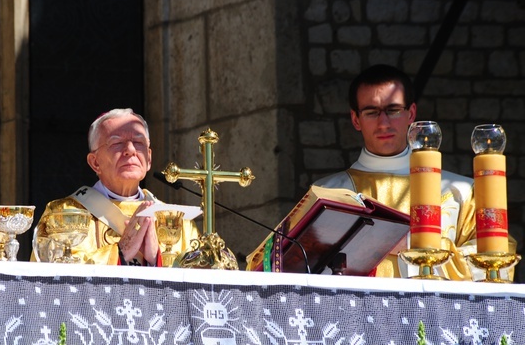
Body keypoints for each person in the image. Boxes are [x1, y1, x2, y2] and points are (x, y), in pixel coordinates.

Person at [247, 64, 514, 280]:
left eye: (393, 110)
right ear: (355, 119)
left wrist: (412, 246)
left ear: (411, 114)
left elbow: (498, 268)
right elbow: (284, 266)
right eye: (372, 112)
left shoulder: (461, 193)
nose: (384, 122)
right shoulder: (329, 194)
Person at [32, 108, 198, 266]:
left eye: (138, 142)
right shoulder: (62, 215)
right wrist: (119, 252)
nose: (130, 150)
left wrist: (156, 261)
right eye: (117, 143)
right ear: (95, 162)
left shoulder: (176, 220)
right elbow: (54, 278)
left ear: (148, 158)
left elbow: (195, 285)